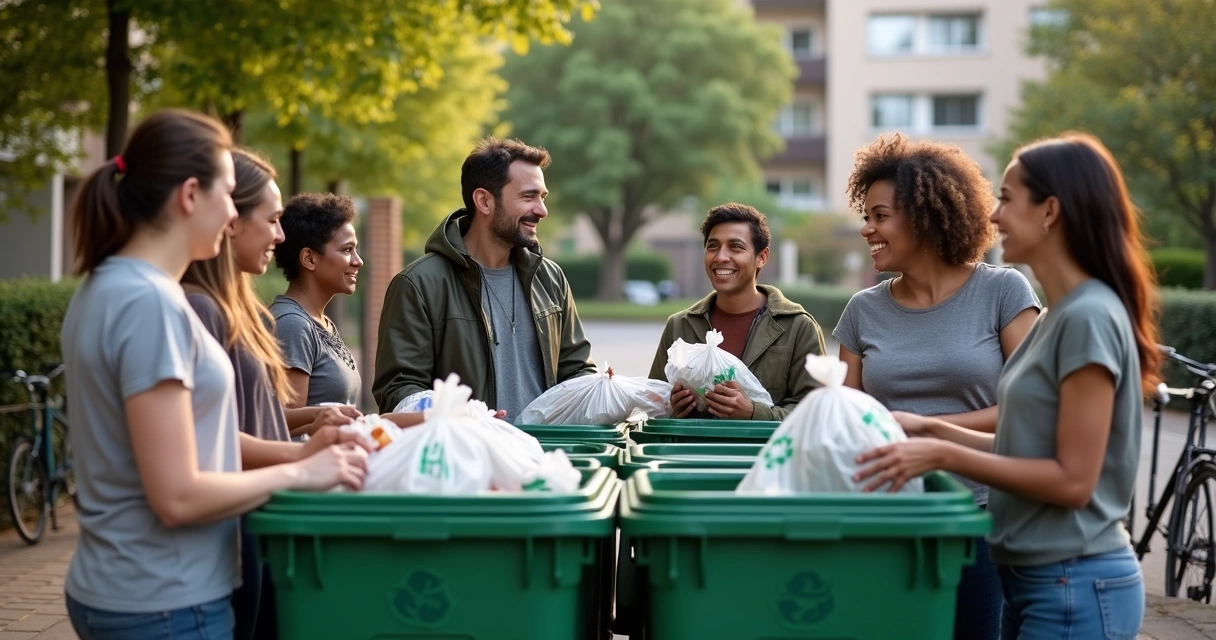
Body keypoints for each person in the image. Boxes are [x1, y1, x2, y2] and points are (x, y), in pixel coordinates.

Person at [59, 109, 367, 640]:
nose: (232, 215)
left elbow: (190, 444)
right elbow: (176, 496)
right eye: (228, 195)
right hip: (167, 604)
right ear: (189, 195)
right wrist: (302, 472)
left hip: (126, 592)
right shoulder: (149, 303)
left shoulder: (106, 286)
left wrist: (303, 449)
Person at [856, 132, 1160, 640]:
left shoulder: (1086, 316)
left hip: (1073, 581)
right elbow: (1028, 445)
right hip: (1035, 578)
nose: (993, 215)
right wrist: (930, 429)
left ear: (1050, 211)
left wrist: (941, 455)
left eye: (1008, 199)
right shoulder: (1058, 317)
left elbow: (1073, 480)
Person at [833, 135, 1041, 640]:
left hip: (980, 515)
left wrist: (927, 431)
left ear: (925, 216)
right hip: (888, 515)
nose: (867, 229)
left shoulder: (1003, 291)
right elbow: (845, 416)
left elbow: (1034, 408)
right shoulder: (863, 311)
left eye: (880, 216)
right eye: (867, 215)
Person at [180, 148, 361, 639]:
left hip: (259, 518)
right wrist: (304, 457)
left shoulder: (243, 311)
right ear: (230, 218)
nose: (279, 235)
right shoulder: (205, 311)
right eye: (273, 219)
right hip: (226, 537)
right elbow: (211, 442)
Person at [372, 137, 595, 421]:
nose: (541, 210)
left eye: (542, 197)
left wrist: (606, 390)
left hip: (543, 459)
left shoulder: (550, 279)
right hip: (465, 459)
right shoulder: (418, 285)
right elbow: (398, 391)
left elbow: (576, 372)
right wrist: (463, 418)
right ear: (484, 201)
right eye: (528, 197)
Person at [647, 203, 826, 420]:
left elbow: (816, 412)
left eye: (736, 247)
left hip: (762, 454)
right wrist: (671, 407)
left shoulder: (798, 326)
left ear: (762, 257)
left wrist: (753, 413)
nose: (721, 256)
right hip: (692, 453)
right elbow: (654, 407)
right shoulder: (680, 325)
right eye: (713, 246)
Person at [270, 192, 364, 436]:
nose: (358, 261)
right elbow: (281, 425)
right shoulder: (292, 325)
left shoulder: (322, 322)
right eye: (347, 250)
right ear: (309, 258)